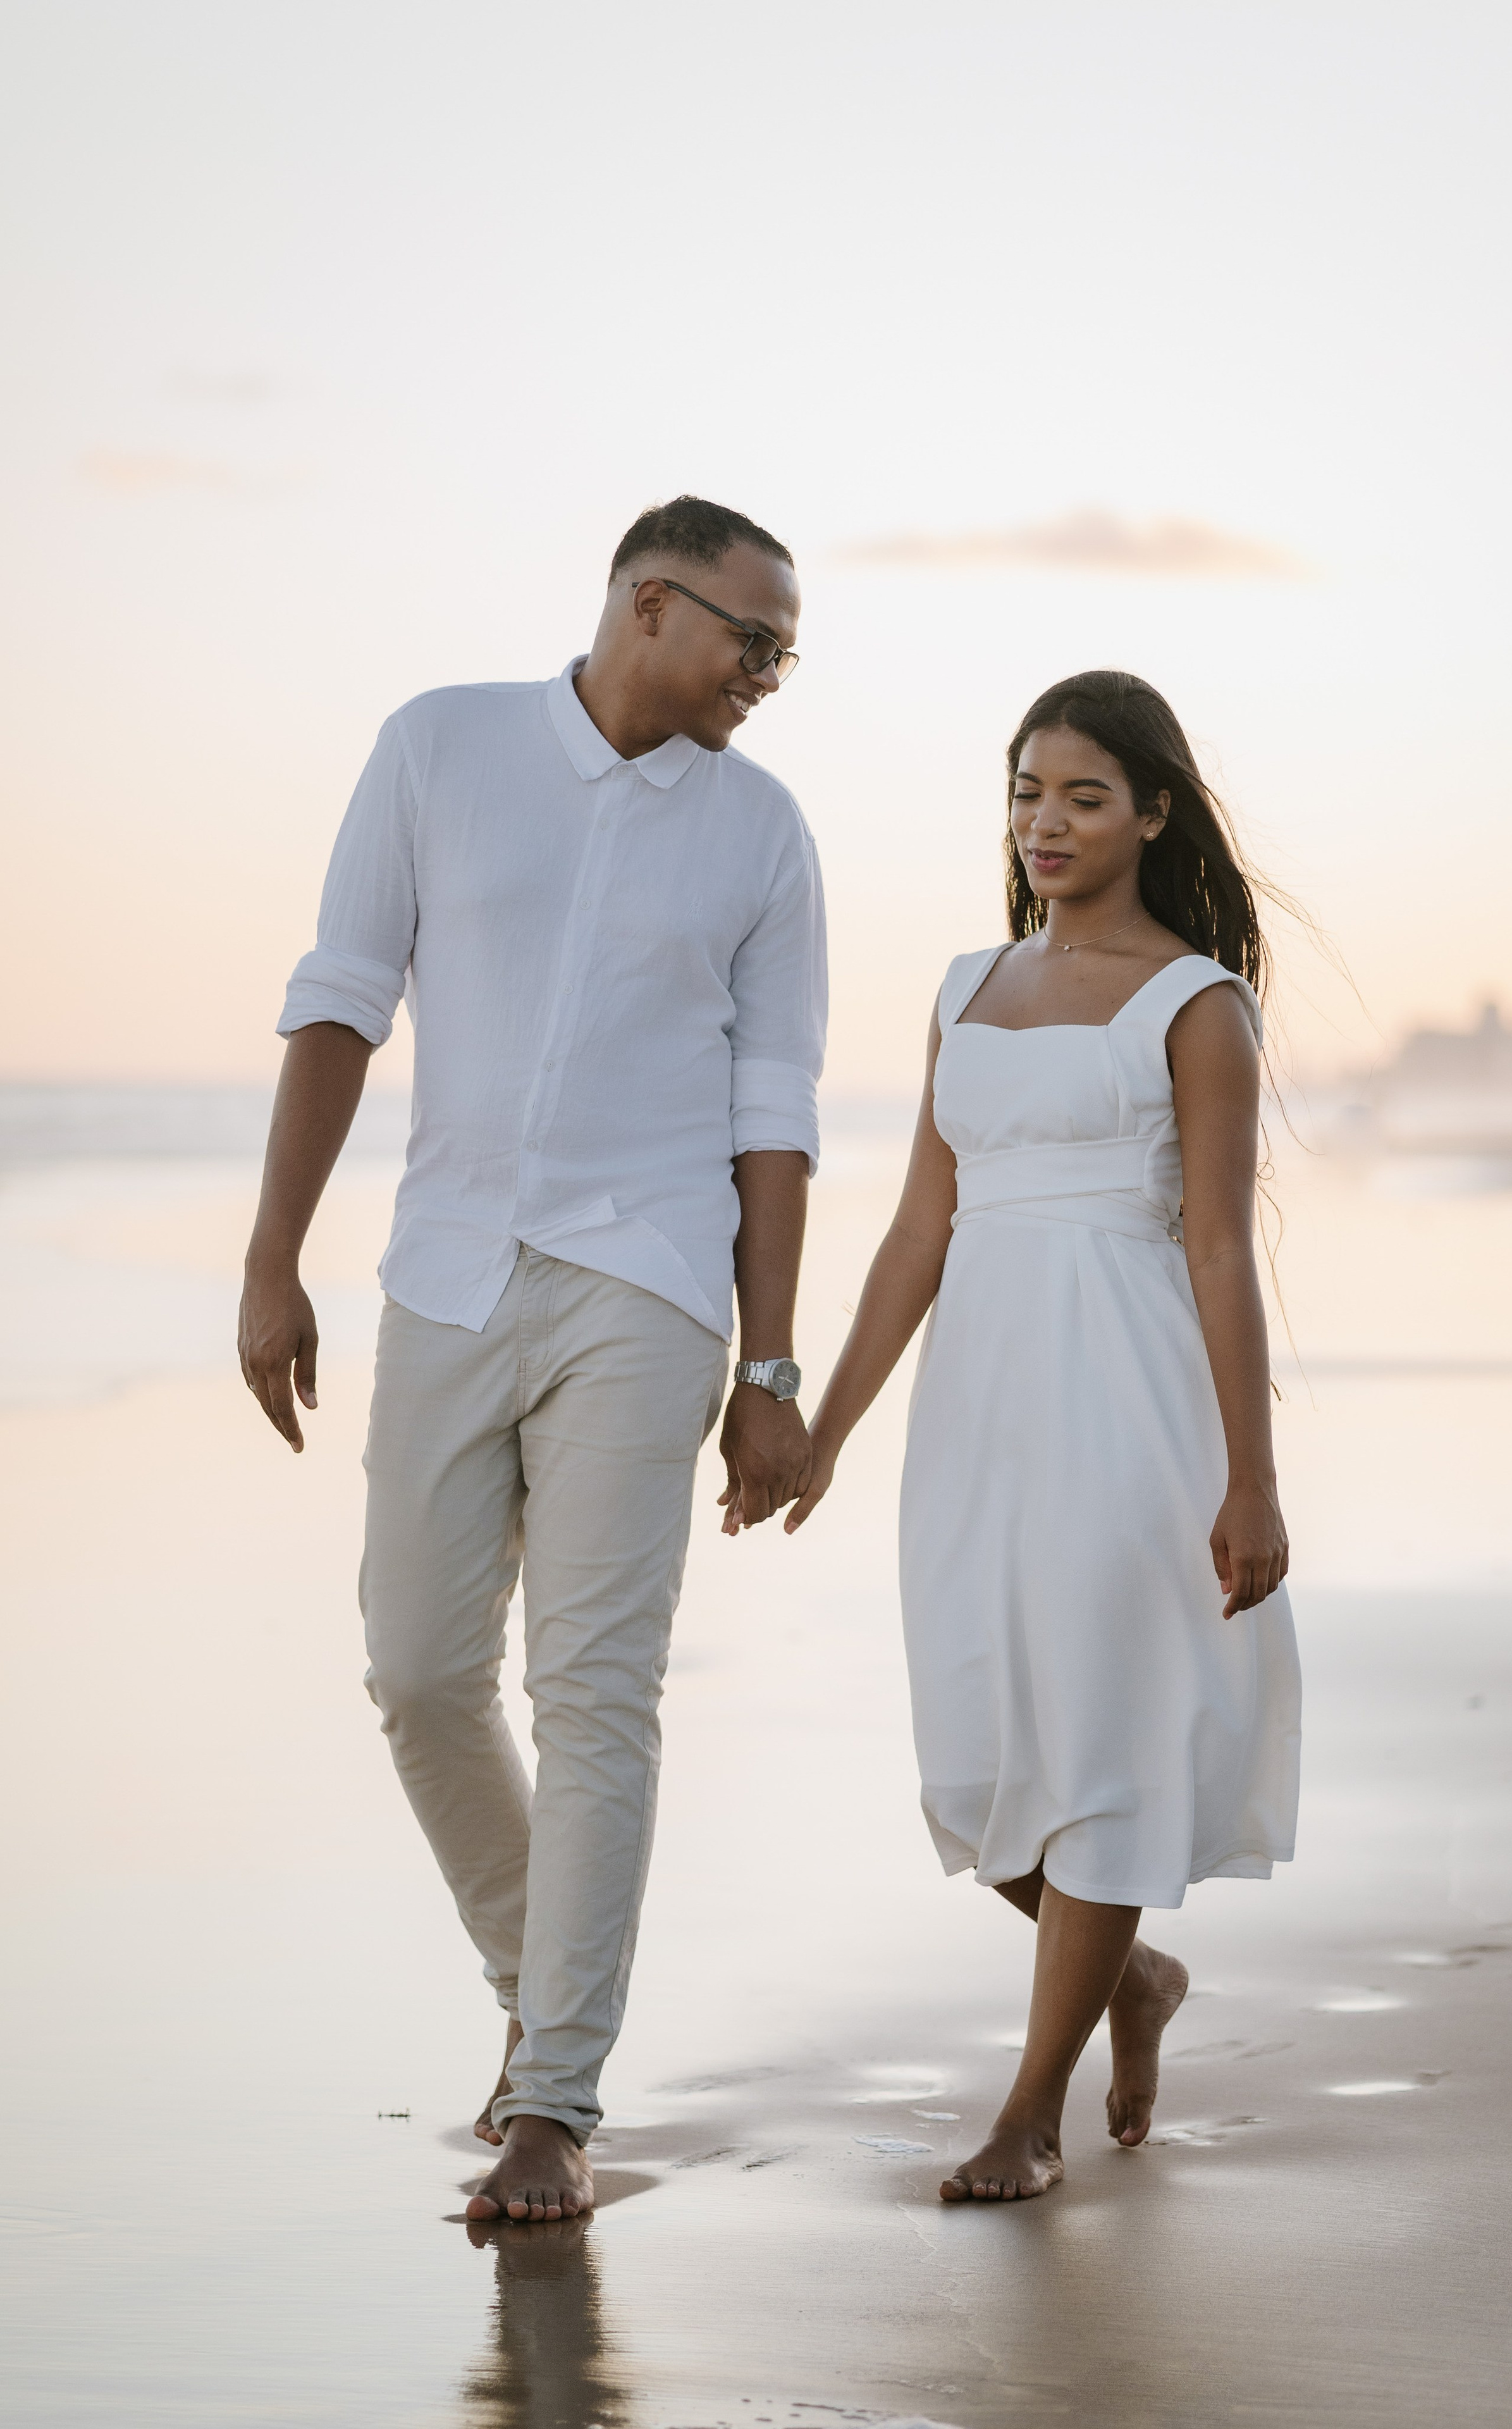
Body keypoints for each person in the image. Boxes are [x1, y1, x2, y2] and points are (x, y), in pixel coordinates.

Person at [237, 496, 826, 2223]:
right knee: (419, 1674)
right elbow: (343, 996)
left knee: (595, 1693)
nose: (772, 675)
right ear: (652, 604)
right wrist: (273, 1258)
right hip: (444, 1269)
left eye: (789, 651)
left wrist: (773, 1373)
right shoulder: (440, 745)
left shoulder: (764, 832)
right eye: (755, 639)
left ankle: (554, 2096)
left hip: (647, 1285)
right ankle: (538, 1979)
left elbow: (773, 1115)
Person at [785, 670, 1301, 2204]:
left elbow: (1218, 1250)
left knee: (1096, 1735)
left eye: (1083, 795)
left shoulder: (1195, 1003)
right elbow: (911, 1235)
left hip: (1127, 1401)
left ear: (1152, 810)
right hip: (979, 1405)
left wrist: (1249, 1478)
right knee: (974, 1763)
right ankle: (1133, 1982)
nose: (1046, 823)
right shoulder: (964, 989)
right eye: (1025, 794)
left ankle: (1026, 2110)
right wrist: (819, 1434)